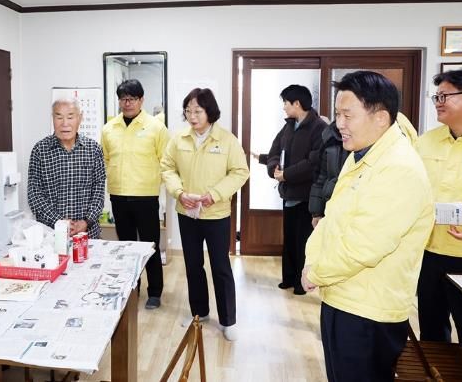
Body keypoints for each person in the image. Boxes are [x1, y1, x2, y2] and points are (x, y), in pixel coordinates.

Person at [302, 71, 434, 382]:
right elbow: (332, 217)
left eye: (347, 115)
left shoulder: (399, 168)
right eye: (337, 114)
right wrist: (312, 261)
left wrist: (316, 272)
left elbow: (364, 246)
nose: (339, 124)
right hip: (343, 294)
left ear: (381, 118)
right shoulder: (363, 153)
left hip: (368, 310)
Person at [161, 88, 249, 341]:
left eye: (197, 111)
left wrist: (215, 194)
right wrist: (179, 193)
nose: (192, 116)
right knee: (193, 265)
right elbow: (167, 168)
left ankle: (228, 321)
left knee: (220, 266)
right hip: (187, 212)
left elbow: (240, 172)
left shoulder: (227, 140)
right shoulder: (178, 139)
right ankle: (199, 313)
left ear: (210, 112)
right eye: (188, 111)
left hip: (216, 213)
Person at [416, 68, 462, 364]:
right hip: (429, 252)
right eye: (436, 97)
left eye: (444, 96)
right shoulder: (426, 142)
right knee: (431, 331)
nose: (438, 103)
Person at [102, 79, 169, 309]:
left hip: (146, 197)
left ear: (141, 100)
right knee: (126, 247)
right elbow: (105, 159)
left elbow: (166, 161)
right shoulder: (109, 129)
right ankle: (132, 288)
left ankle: (155, 292)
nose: (127, 103)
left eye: (132, 98)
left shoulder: (156, 128)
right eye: (123, 99)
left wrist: (156, 186)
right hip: (119, 196)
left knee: (150, 246)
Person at [264, 84, 327, 294]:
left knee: (304, 242)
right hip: (288, 192)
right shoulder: (289, 126)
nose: (284, 107)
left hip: (307, 195)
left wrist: (287, 174)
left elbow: (313, 162)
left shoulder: (318, 127)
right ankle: (289, 278)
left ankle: (301, 283)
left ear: (297, 103)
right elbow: (274, 150)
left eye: (286, 102)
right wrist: (274, 168)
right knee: (289, 239)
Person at [28, 98, 106, 239]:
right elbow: (34, 195)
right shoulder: (40, 150)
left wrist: (86, 221)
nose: (65, 123)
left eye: (70, 117)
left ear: (79, 118)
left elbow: (98, 192)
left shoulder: (94, 150)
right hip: (51, 235)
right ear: (53, 118)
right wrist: (58, 222)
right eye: (59, 117)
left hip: (87, 234)